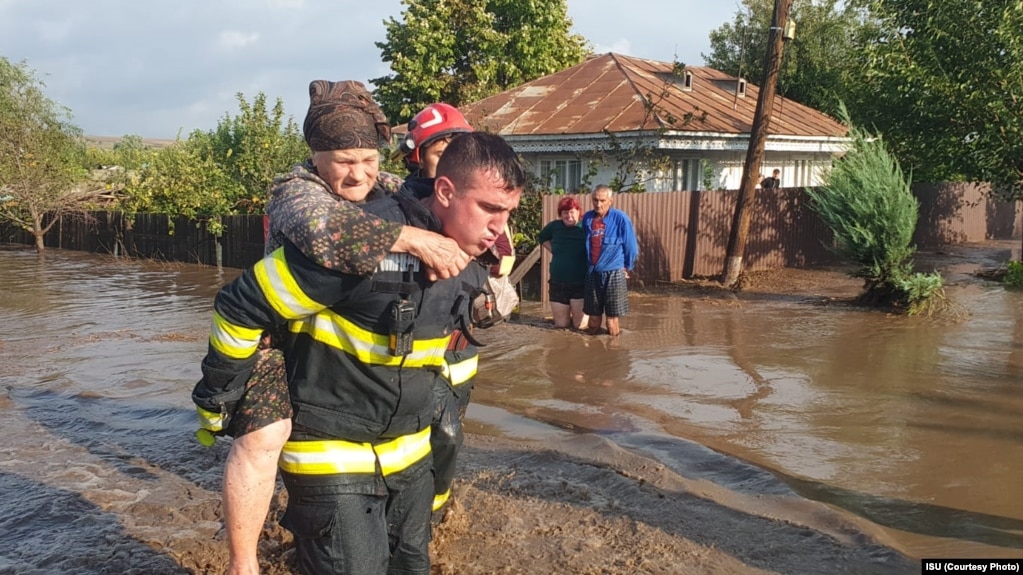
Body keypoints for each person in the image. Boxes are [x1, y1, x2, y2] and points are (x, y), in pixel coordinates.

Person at [194, 131, 525, 575]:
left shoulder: (469, 252)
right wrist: (220, 396)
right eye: (490, 209)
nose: (499, 229)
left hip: (408, 455)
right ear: (446, 191)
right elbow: (240, 305)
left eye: (508, 213)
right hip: (332, 455)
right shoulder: (360, 244)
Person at [581, 185, 638, 337]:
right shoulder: (587, 218)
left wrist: (626, 268)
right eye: (595, 200)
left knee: (611, 320)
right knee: (593, 318)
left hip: (614, 273)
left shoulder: (621, 218)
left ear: (610, 201)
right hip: (593, 272)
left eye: (602, 200)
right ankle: (591, 351)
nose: (598, 204)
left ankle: (613, 353)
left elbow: (631, 247)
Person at [538, 195, 588, 330]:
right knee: (561, 326)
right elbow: (542, 238)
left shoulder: (586, 226)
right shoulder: (554, 226)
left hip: (581, 283)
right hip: (558, 282)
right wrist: (555, 250)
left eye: (572, 211)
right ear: (560, 214)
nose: (569, 215)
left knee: (580, 326)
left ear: (578, 212)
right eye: (565, 212)